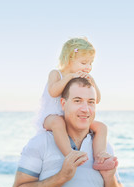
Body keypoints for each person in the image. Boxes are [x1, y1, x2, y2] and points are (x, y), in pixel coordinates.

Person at [12, 77, 125, 187]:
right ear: (64, 104)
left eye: (91, 102)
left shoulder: (103, 147)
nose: (86, 109)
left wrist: (109, 178)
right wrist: (61, 177)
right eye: (78, 101)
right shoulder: (40, 143)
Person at [36, 37, 116, 170]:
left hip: (72, 119)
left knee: (101, 127)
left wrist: (93, 83)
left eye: (91, 63)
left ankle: (100, 156)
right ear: (69, 59)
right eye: (84, 63)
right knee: (58, 122)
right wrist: (69, 77)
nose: (88, 67)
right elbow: (53, 92)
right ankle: (70, 154)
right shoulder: (56, 74)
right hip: (51, 116)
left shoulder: (83, 78)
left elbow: (97, 99)